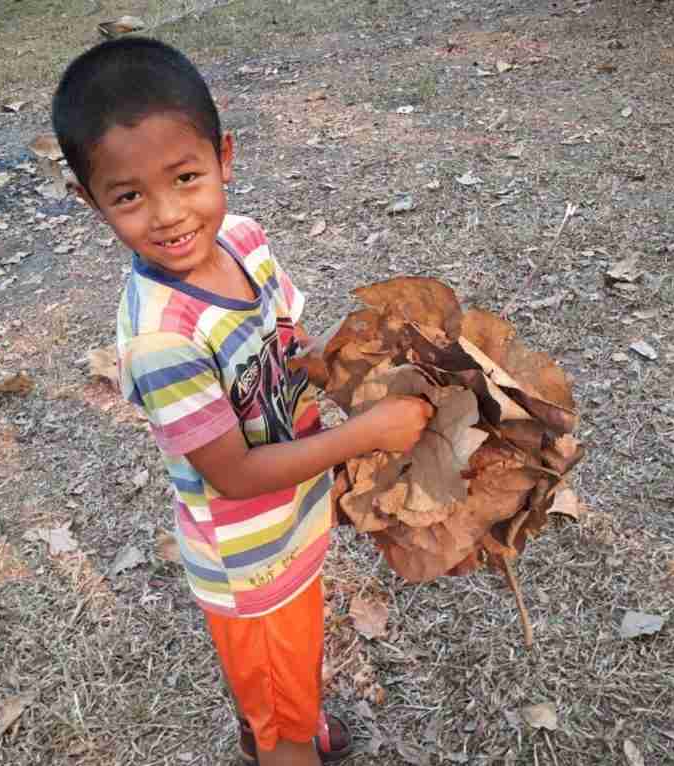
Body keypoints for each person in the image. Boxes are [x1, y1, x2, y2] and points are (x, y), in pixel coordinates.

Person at [52, 38, 433, 766]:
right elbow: (234, 475)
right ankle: (284, 740)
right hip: (252, 560)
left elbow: (291, 345)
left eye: (187, 177)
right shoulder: (161, 340)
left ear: (225, 157)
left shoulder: (244, 240)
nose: (168, 215)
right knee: (279, 708)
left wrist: (347, 374)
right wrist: (368, 433)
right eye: (128, 195)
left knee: (289, 667)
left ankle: (286, 711)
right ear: (90, 201)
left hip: (294, 526)